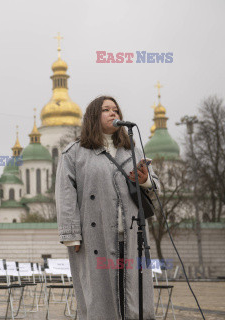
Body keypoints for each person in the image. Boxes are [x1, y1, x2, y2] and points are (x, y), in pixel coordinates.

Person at [55, 96, 159, 320]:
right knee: (99, 296)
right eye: (106, 110)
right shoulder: (74, 153)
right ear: (93, 116)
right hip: (95, 236)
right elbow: (65, 194)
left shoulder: (132, 150)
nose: (113, 113)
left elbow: (155, 186)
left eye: (116, 110)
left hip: (132, 237)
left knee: (134, 295)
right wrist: (71, 235)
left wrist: (145, 180)